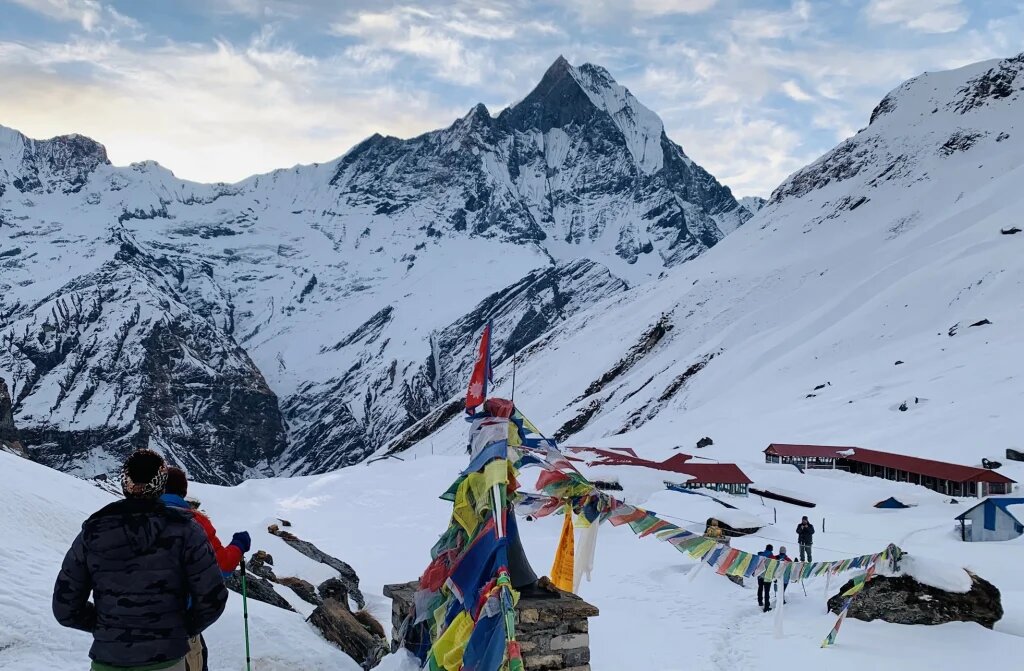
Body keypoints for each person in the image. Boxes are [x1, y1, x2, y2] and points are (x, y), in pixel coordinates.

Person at [53, 449, 228, 671]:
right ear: (161, 484)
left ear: (124, 483)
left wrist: (108, 627)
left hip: (108, 660)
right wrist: (177, 629)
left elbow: (64, 607)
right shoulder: (186, 531)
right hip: (167, 660)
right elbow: (213, 598)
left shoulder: (93, 532)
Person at [161, 467, 251, 671]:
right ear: (183, 493)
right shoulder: (194, 522)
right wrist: (239, 544)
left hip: (127, 626)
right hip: (180, 623)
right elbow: (223, 566)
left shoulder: (132, 519)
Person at [756, 544, 774, 612]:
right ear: (771, 549)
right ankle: (766, 607)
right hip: (767, 576)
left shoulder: (760, 555)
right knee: (767, 591)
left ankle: (760, 602)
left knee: (760, 588)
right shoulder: (772, 557)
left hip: (760, 575)